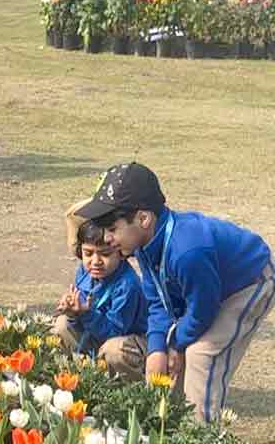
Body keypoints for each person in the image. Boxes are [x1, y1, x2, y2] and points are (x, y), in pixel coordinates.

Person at [81, 162, 274, 423]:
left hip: (250, 282)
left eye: (113, 229)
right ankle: (174, 428)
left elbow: (202, 310)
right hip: (210, 288)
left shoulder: (186, 250)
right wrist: (158, 348)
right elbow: (158, 301)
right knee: (176, 354)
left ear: (143, 218)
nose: (107, 238)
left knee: (201, 354)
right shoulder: (144, 244)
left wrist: (176, 345)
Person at [53, 200, 147, 381]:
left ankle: (126, 389)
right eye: (88, 253)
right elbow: (80, 313)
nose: (95, 261)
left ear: (120, 252)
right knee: (62, 324)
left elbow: (114, 331)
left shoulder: (127, 285)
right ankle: (84, 377)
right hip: (97, 332)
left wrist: (86, 313)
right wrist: (72, 310)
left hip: (126, 340)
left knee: (114, 351)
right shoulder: (84, 271)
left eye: (105, 254)